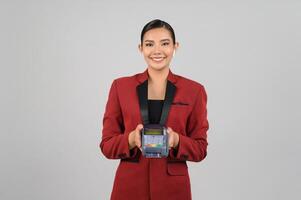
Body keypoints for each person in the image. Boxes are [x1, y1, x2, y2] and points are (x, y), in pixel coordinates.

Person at [100, 19, 209, 200]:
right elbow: (106, 145)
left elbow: (200, 148)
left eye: (165, 43)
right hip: (129, 187)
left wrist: (176, 140)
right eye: (149, 44)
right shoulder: (121, 87)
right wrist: (131, 139)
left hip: (173, 190)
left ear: (176, 47)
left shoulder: (194, 90)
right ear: (140, 48)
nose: (157, 51)